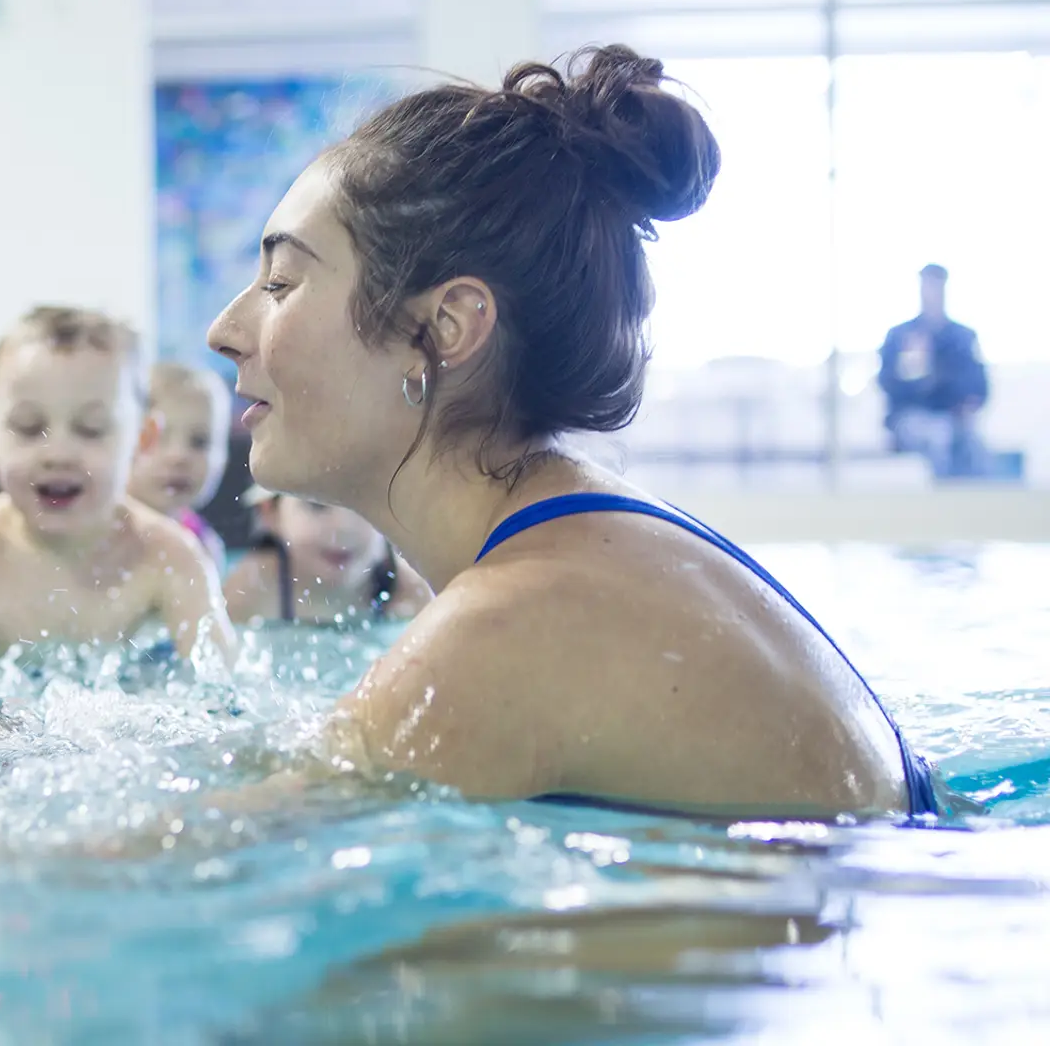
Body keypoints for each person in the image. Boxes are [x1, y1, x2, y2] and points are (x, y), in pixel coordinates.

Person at [204, 45, 942, 819]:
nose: (225, 329)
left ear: (446, 327)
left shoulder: (502, 633)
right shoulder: (589, 548)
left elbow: (155, 884)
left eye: (281, 283)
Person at [0, 307, 236, 672]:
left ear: (142, 440)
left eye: (91, 429)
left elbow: (224, 694)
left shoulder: (172, 558)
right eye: (29, 427)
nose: (58, 453)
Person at [224, 487, 430, 625]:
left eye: (362, 507)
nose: (343, 527)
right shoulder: (251, 591)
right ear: (270, 513)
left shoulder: (408, 593)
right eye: (317, 505)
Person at [878, 263, 989, 479]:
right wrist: (916, 372)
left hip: (954, 416)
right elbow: (889, 384)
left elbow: (978, 384)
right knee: (937, 437)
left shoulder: (962, 337)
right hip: (912, 416)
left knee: (974, 447)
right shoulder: (901, 335)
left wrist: (965, 401)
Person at [129, 361, 233, 565]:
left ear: (223, 458)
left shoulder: (204, 547)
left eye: (199, 442)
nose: (179, 456)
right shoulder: (98, 535)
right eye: (158, 436)